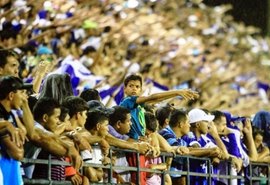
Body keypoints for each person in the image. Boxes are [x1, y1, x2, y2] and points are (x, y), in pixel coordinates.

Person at [120, 74, 198, 185]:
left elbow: (156, 99)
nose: (134, 89)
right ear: (125, 89)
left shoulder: (139, 107)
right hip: (132, 148)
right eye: (131, 86)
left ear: (141, 89)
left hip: (140, 148)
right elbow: (153, 97)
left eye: (137, 87)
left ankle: (171, 148)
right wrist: (176, 92)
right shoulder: (127, 101)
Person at [0, 75, 30, 185]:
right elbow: (18, 154)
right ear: (11, 95)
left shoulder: (10, 114)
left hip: (9, 173)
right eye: (22, 93)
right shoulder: (4, 119)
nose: (24, 97)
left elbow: (27, 132)